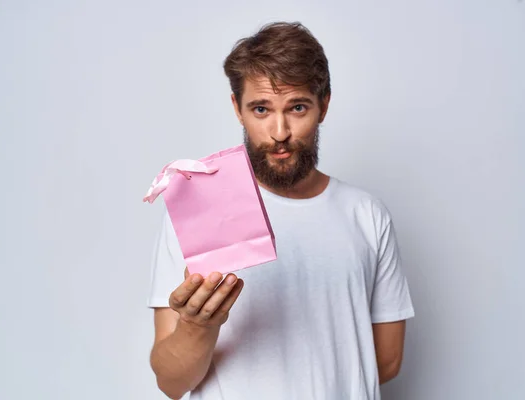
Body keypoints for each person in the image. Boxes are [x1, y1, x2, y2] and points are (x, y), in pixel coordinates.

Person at [147, 21, 415, 400]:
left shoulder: (368, 215)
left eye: (297, 107)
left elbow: (386, 362)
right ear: (237, 109)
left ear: (324, 105)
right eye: (261, 109)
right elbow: (171, 382)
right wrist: (195, 326)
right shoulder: (198, 212)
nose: (279, 131)